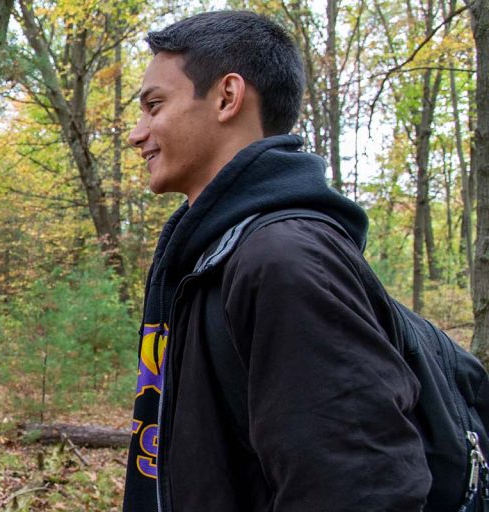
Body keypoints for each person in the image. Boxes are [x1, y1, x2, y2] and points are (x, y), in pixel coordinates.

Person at [123, 11, 429, 511]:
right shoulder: (212, 256)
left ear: (227, 97)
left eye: (155, 106)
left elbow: (361, 487)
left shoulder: (283, 260)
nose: (138, 134)